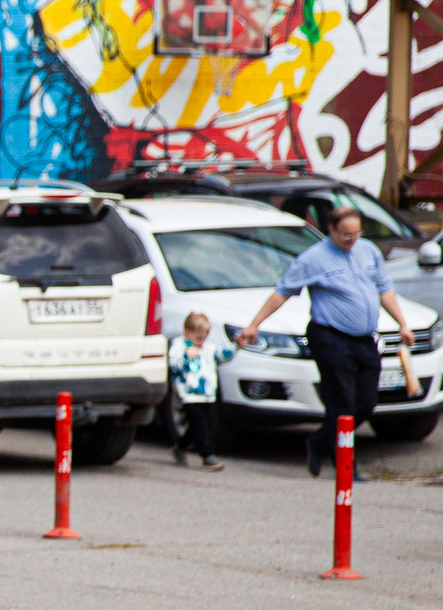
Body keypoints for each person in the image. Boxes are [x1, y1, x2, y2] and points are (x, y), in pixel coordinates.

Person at [239, 204, 415, 476]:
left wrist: (403, 324)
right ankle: (346, 466)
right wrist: (254, 325)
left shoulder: (368, 251)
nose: (352, 240)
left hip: (364, 339)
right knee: (341, 403)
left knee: (366, 403)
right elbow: (281, 292)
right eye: (346, 235)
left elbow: (385, 290)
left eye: (356, 234)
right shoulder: (313, 258)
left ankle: (319, 441)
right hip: (330, 337)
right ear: (331, 230)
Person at [168, 311, 236, 470]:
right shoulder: (179, 346)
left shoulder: (208, 348)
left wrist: (236, 346)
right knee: (200, 426)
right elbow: (174, 367)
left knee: (205, 426)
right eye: (198, 338)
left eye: (204, 337)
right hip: (189, 395)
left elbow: (222, 355)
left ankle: (180, 446)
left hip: (208, 395)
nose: (201, 342)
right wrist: (186, 357)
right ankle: (207, 455)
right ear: (187, 333)